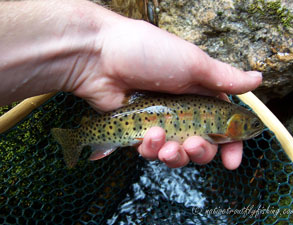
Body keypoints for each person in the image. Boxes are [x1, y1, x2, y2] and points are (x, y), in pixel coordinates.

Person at [0, 0, 262, 170]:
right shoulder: (222, 125)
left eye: (252, 125)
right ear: (233, 125)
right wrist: (94, 48)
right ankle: (79, 138)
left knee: (167, 145)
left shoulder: (222, 119)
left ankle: (81, 138)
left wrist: (92, 49)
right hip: (135, 110)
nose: (254, 128)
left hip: (135, 108)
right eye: (251, 125)